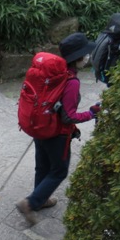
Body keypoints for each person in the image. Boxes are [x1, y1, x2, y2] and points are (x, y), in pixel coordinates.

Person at [16, 32, 101, 225]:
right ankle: (30, 203)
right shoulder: (71, 82)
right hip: (57, 134)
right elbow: (69, 116)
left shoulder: (53, 75)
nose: (87, 57)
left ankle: (41, 199)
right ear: (79, 58)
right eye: (85, 54)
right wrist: (92, 113)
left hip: (41, 127)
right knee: (59, 171)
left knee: (42, 166)